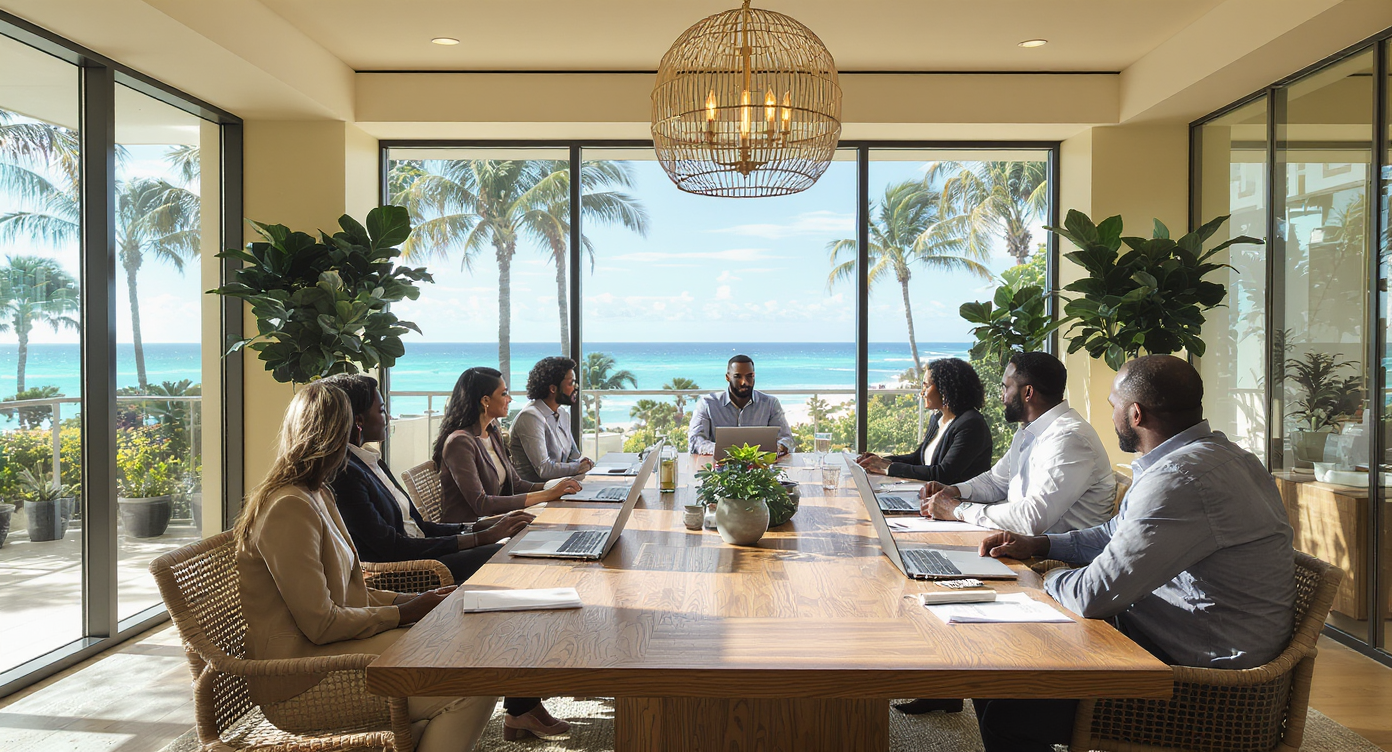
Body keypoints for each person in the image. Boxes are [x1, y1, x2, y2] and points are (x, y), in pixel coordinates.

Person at [970, 355, 1296, 752]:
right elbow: (1116, 532)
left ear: (1135, 414)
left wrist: (1039, 578)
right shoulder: (1228, 457)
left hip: (1202, 686)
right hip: (1184, 642)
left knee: (1006, 710)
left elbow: (1092, 596)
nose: (1110, 415)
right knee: (1000, 665)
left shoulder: (1177, 479)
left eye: (1113, 405)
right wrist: (1041, 545)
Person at [233, 381, 496, 751]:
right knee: (474, 683)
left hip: (335, 652)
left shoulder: (318, 494)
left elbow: (349, 591)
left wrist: (414, 601)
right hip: (301, 677)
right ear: (337, 435)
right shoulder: (288, 507)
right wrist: (404, 613)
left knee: (467, 649)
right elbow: (321, 623)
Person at [432, 366, 581, 739]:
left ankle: (524, 704)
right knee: (537, 580)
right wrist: (546, 494)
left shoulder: (493, 433)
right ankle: (521, 708)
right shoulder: (459, 443)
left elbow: (514, 484)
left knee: (560, 557)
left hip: (501, 528)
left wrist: (555, 488)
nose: (510, 398)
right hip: (474, 535)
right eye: (504, 393)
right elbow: (481, 504)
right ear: (485, 400)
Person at [322, 373, 533, 584]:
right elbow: (391, 547)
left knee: (516, 544)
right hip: (411, 572)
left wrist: (478, 527)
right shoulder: (345, 475)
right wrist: (480, 538)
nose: (389, 417)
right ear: (359, 420)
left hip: (425, 553)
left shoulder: (371, 462)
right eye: (382, 410)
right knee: (510, 554)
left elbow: (419, 526)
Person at [918, 351, 1114, 535]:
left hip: (1052, 555)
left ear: (1028, 392)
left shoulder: (1069, 438)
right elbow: (995, 482)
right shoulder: (1029, 431)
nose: (1002, 396)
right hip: (1021, 544)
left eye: (1006, 387)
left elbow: (1032, 518)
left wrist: (958, 510)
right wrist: (955, 491)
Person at [855, 358, 992, 483]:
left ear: (945, 389)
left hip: (960, 499)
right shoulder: (937, 418)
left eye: (926, 386)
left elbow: (943, 474)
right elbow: (918, 459)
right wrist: (881, 460)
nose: (922, 392)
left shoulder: (971, 425)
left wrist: (889, 468)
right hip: (931, 493)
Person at [687, 354, 793, 457]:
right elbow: (695, 440)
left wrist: (776, 449)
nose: (744, 382)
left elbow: (786, 439)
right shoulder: (707, 404)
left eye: (749, 376)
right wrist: (724, 451)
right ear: (727, 377)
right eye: (737, 376)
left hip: (760, 466)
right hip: (718, 466)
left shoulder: (770, 403)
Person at [509, 356, 594, 483]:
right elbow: (544, 469)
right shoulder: (530, 417)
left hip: (562, 485)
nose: (576, 387)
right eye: (571, 383)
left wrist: (582, 465)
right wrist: (577, 467)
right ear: (553, 389)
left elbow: (574, 455)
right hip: (538, 491)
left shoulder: (562, 413)